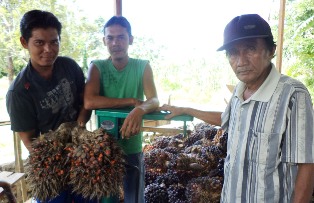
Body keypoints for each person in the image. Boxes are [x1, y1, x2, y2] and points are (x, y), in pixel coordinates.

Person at [160, 14, 314, 203]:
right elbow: (227, 119)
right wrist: (187, 110)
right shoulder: (239, 91)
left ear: (271, 50)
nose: (241, 61)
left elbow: (306, 163)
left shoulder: (292, 94)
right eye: (233, 52)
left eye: (250, 48)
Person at [6, 10, 92, 203]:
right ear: (24, 42)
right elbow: (30, 142)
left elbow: (86, 102)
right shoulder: (19, 92)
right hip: (51, 169)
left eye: (54, 42)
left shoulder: (69, 67)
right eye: (39, 43)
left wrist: (79, 125)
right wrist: (61, 159)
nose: (48, 49)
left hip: (83, 159)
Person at [84, 16, 159, 203]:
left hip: (132, 147)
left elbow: (154, 99)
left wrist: (139, 110)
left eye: (121, 37)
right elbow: (89, 101)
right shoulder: (97, 67)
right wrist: (131, 101)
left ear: (130, 39)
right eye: (110, 38)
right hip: (104, 148)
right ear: (104, 41)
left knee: (134, 196)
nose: (115, 43)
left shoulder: (142, 66)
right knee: (106, 198)